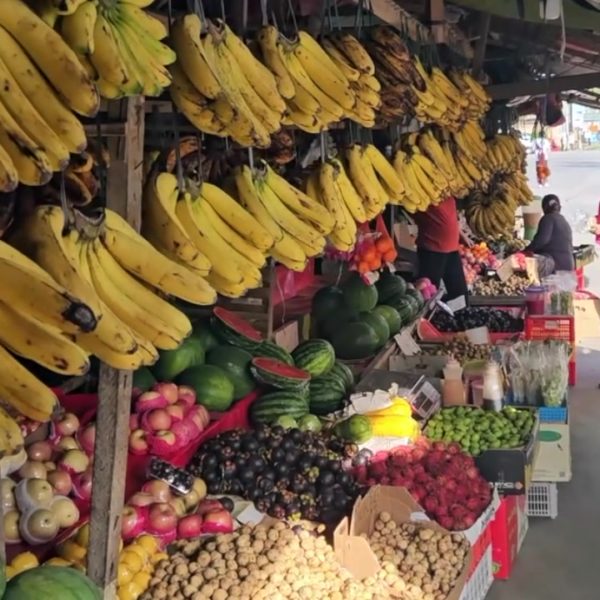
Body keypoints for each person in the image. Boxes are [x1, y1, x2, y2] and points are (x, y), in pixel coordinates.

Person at [413, 196, 468, 301]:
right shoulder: (421, 191)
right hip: (432, 250)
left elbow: (449, 215)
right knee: (428, 297)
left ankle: (455, 311)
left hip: (452, 248)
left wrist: (459, 233)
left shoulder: (447, 189)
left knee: (460, 296)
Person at [524, 194, 574, 276]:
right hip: (568, 265)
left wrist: (526, 250)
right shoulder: (563, 220)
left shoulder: (548, 218)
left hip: (555, 265)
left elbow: (541, 241)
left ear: (544, 208)